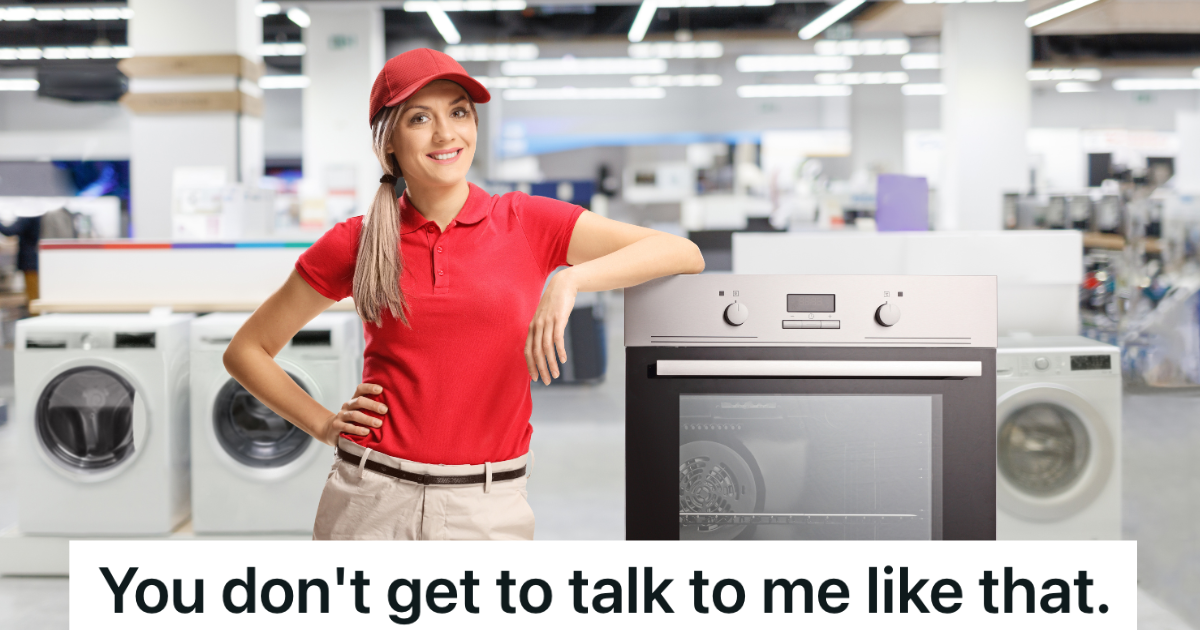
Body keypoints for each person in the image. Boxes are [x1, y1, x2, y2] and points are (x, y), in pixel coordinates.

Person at [223, 48, 704, 540]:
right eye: (419, 118)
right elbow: (247, 351)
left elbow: (681, 252)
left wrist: (569, 279)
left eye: (458, 112)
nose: (445, 133)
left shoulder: (527, 222)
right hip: (370, 499)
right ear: (389, 141)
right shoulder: (359, 241)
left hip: (487, 509)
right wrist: (325, 425)